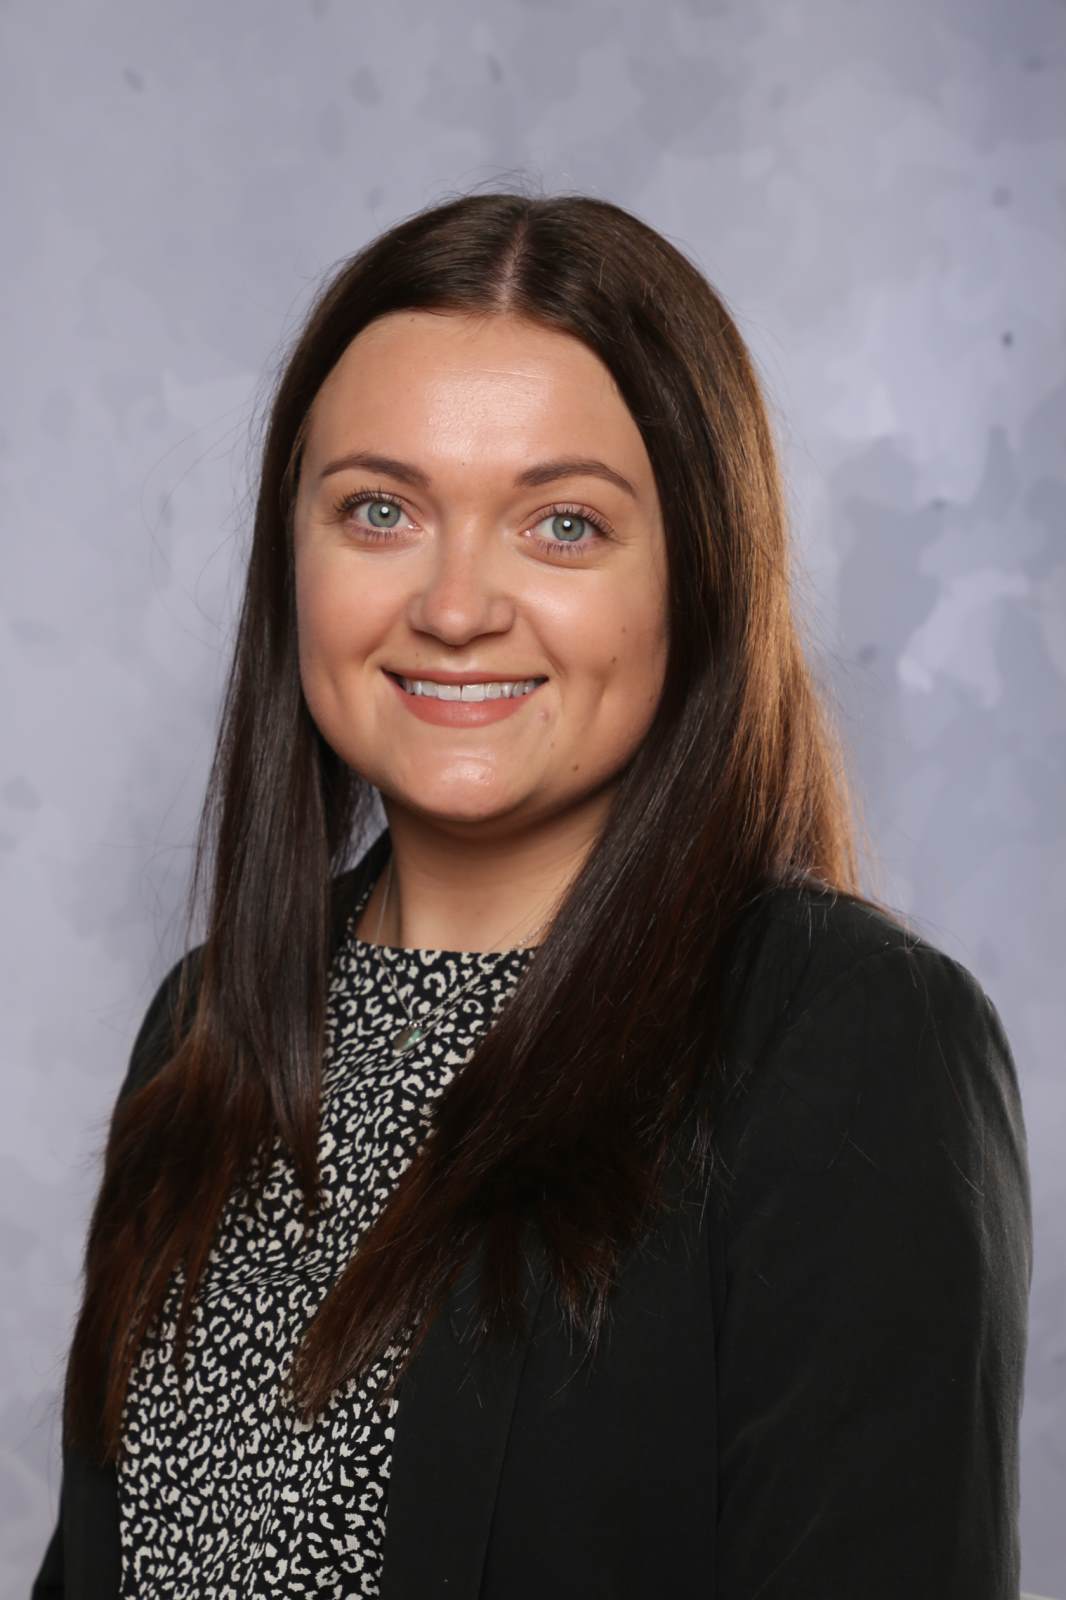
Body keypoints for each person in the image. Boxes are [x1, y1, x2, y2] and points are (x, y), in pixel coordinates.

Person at [31, 190, 1032, 1600]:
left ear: (697, 574)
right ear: (291, 557)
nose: (455, 607)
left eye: (562, 524)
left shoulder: (841, 1036)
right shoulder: (208, 1024)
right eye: (379, 510)